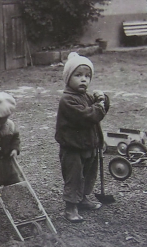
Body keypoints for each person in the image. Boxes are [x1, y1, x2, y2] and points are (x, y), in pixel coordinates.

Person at [55, 52, 110, 223]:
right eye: (78, 75)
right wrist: (99, 107)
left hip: (88, 145)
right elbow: (88, 116)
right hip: (72, 147)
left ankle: (83, 199)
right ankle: (70, 208)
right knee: (74, 176)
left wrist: (103, 100)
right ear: (68, 78)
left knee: (88, 173)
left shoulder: (85, 96)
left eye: (87, 76)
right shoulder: (68, 100)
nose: (84, 80)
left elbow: (98, 112)